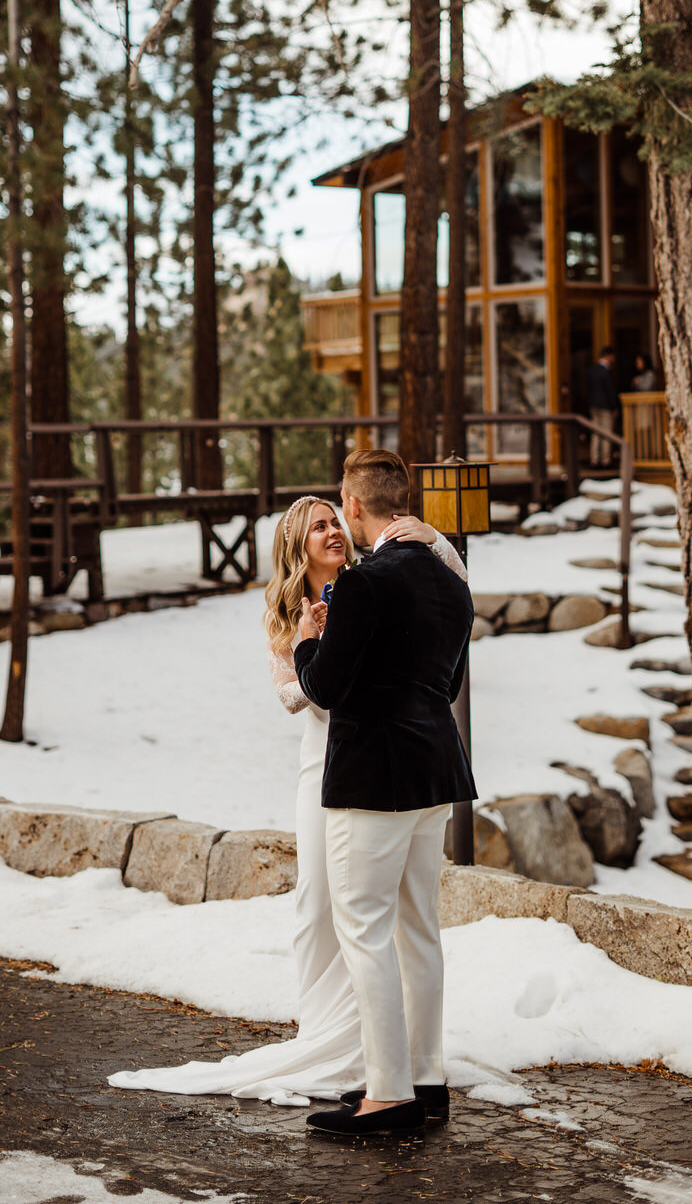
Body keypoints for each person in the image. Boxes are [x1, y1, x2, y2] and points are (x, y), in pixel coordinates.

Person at [107, 489, 466, 1106]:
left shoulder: (371, 583)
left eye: (334, 521)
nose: (330, 532)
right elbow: (299, 698)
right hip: (324, 760)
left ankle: (372, 1054)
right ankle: (324, 1033)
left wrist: (433, 538)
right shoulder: (287, 611)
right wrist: (309, 642)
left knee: (369, 912)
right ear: (296, 546)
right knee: (317, 900)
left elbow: (443, 597)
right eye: (316, 528)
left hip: (373, 761)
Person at [295, 449, 475, 1140]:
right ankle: (425, 1080)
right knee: (417, 929)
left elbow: (326, 688)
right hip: (435, 771)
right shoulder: (451, 582)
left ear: (354, 504)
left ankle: (387, 1093)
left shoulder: (364, 584)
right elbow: (447, 683)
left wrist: (312, 642)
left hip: (372, 776)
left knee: (364, 931)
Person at [586, 344, 619, 467]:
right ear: (609, 356)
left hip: (594, 405)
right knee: (606, 432)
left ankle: (594, 458)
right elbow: (609, 391)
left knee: (595, 432)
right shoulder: (606, 372)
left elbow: (588, 389)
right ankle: (605, 460)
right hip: (605, 406)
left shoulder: (592, 370)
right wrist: (614, 407)